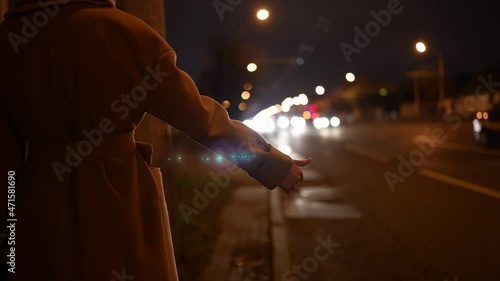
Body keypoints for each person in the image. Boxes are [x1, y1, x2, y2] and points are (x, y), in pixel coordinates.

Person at [0, 0, 311, 280]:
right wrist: (269, 163)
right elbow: (201, 119)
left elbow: (5, 160)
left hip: (36, 207)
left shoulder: (10, 38)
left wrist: (11, 239)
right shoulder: (121, 30)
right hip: (118, 196)